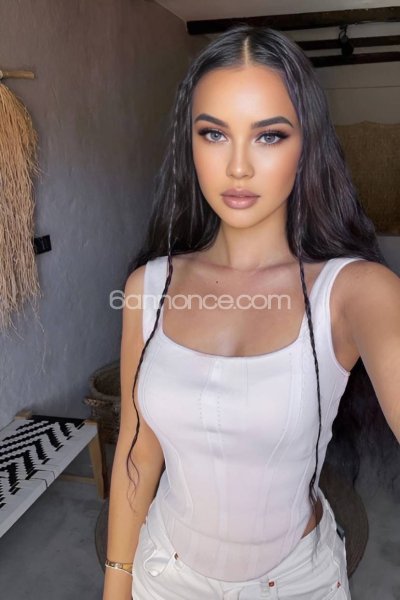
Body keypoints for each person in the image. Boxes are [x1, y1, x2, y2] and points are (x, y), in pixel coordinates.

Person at [102, 25, 400, 600]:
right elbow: (138, 448)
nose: (238, 166)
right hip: (162, 574)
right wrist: (116, 584)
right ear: (190, 144)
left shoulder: (353, 292)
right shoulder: (148, 289)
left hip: (296, 584)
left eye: (269, 136)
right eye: (214, 133)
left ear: (306, 145)